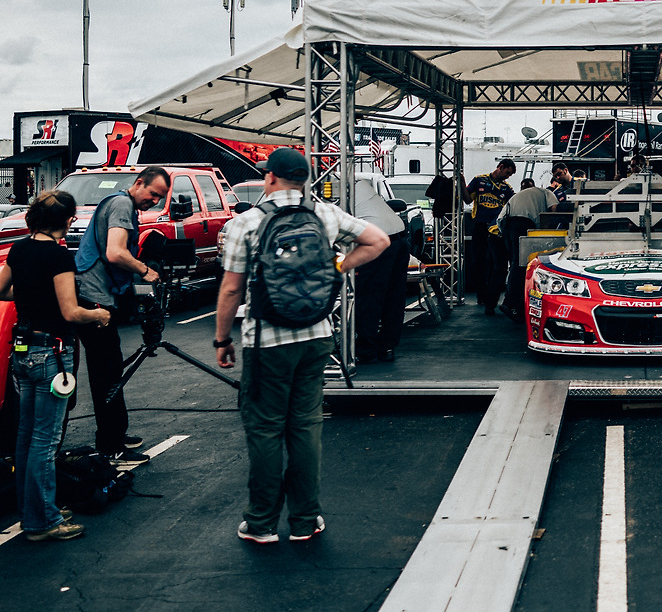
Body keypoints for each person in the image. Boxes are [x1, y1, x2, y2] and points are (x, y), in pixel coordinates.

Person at [214, 148, 389, 544]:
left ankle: (261, 523)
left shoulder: (247, 222)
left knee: (265, 430)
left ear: (270, 177)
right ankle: (305, 521)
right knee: (306, 427)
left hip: (266, 342)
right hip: (316, 336)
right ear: (304, 179)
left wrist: (222, 338)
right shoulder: (324, 214)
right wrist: (337, 267)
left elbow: (231, 289)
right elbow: (378, 240)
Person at [1, 192, 113, 541]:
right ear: (65, 220)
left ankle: (32, 511)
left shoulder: (19, 249)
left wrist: (31, 293)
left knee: (25, 437)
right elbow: (71, 312)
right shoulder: (59, 256)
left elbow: (2, 291)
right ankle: (43, 521)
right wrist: (99, 315)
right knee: (45, 441)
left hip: (23, 353)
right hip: (52, 352)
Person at [73, 165, 171, 464]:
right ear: (139, 183)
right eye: (153, 194)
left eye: (160, 197)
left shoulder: (121, 203)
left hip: (97, 297)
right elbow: (115, 252)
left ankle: (113, 434)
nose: (154, 201)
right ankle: (111, 445)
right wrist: (145, 270)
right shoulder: (121, 204)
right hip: (94, 300)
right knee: (107, 374)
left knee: (110, 370)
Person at [497, 164, 573, 321]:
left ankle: (515, 304)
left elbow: (500, 218)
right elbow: (554, 213)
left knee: (515, 264)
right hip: (523, 223)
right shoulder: (548, 193)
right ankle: (510, 303)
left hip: (506, 224)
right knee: (522, 265)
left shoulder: (521, 195)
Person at [352, 177, 410, 364]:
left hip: (380, 241)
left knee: (369, 297)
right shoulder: (361, 187)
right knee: (394, 297)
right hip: (399, 238)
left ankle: (366, 350)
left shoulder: (338, 194)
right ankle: (386, 347)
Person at [466, 158, 517, 315]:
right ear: (500, 167)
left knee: (495, 264)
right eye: (507, 173)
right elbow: (467, 200)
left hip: (496, 229)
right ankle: (481, 295)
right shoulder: (479, 180)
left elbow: (513, 206)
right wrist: (461, 183)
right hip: (480, 226)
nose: (507, 177)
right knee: (478, 261)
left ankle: (490, 297)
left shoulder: (507, 188)